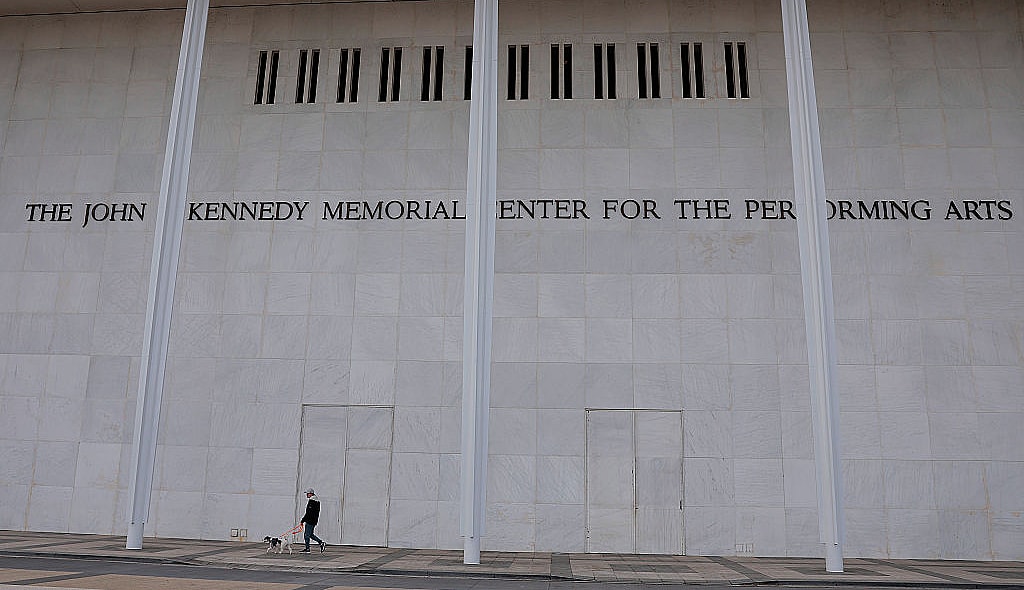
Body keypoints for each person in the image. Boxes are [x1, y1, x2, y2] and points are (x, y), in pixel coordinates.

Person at [299, 488, 326, 553]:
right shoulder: (316, 501)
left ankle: (307, 549)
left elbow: (309, 512)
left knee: (306, 535)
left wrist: (303, 520)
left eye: (307, 494)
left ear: (311, 493)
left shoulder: (312, 501)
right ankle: (321, 543)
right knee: (310, 534)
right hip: (313, 520)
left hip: (310, 521)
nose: (306, 495)